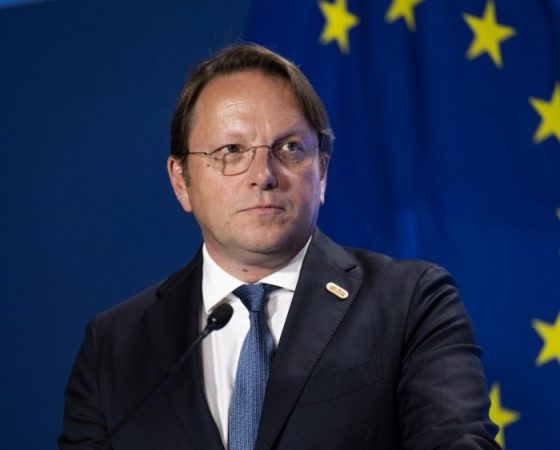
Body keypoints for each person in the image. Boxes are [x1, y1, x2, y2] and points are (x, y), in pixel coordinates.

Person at [59, 43, 500, 450]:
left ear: (322, 173)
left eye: (289, 148)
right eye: (231, 150)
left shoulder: (410, 302)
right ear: (182, 182)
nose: (263, 175)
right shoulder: (114, 345)